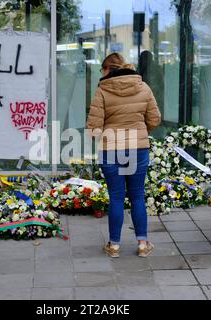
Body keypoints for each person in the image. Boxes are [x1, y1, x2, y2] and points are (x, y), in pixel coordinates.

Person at [86, 52, 161, 258]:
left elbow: (94, 127)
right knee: (137, 196)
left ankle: (114, 245)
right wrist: (139, 132)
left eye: (102, 69)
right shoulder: (143, 87)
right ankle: (143, 244)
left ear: (108, 69)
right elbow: (155, 119)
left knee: (116, 197)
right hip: (138, 149)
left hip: (111, 150)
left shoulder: (102, 91)